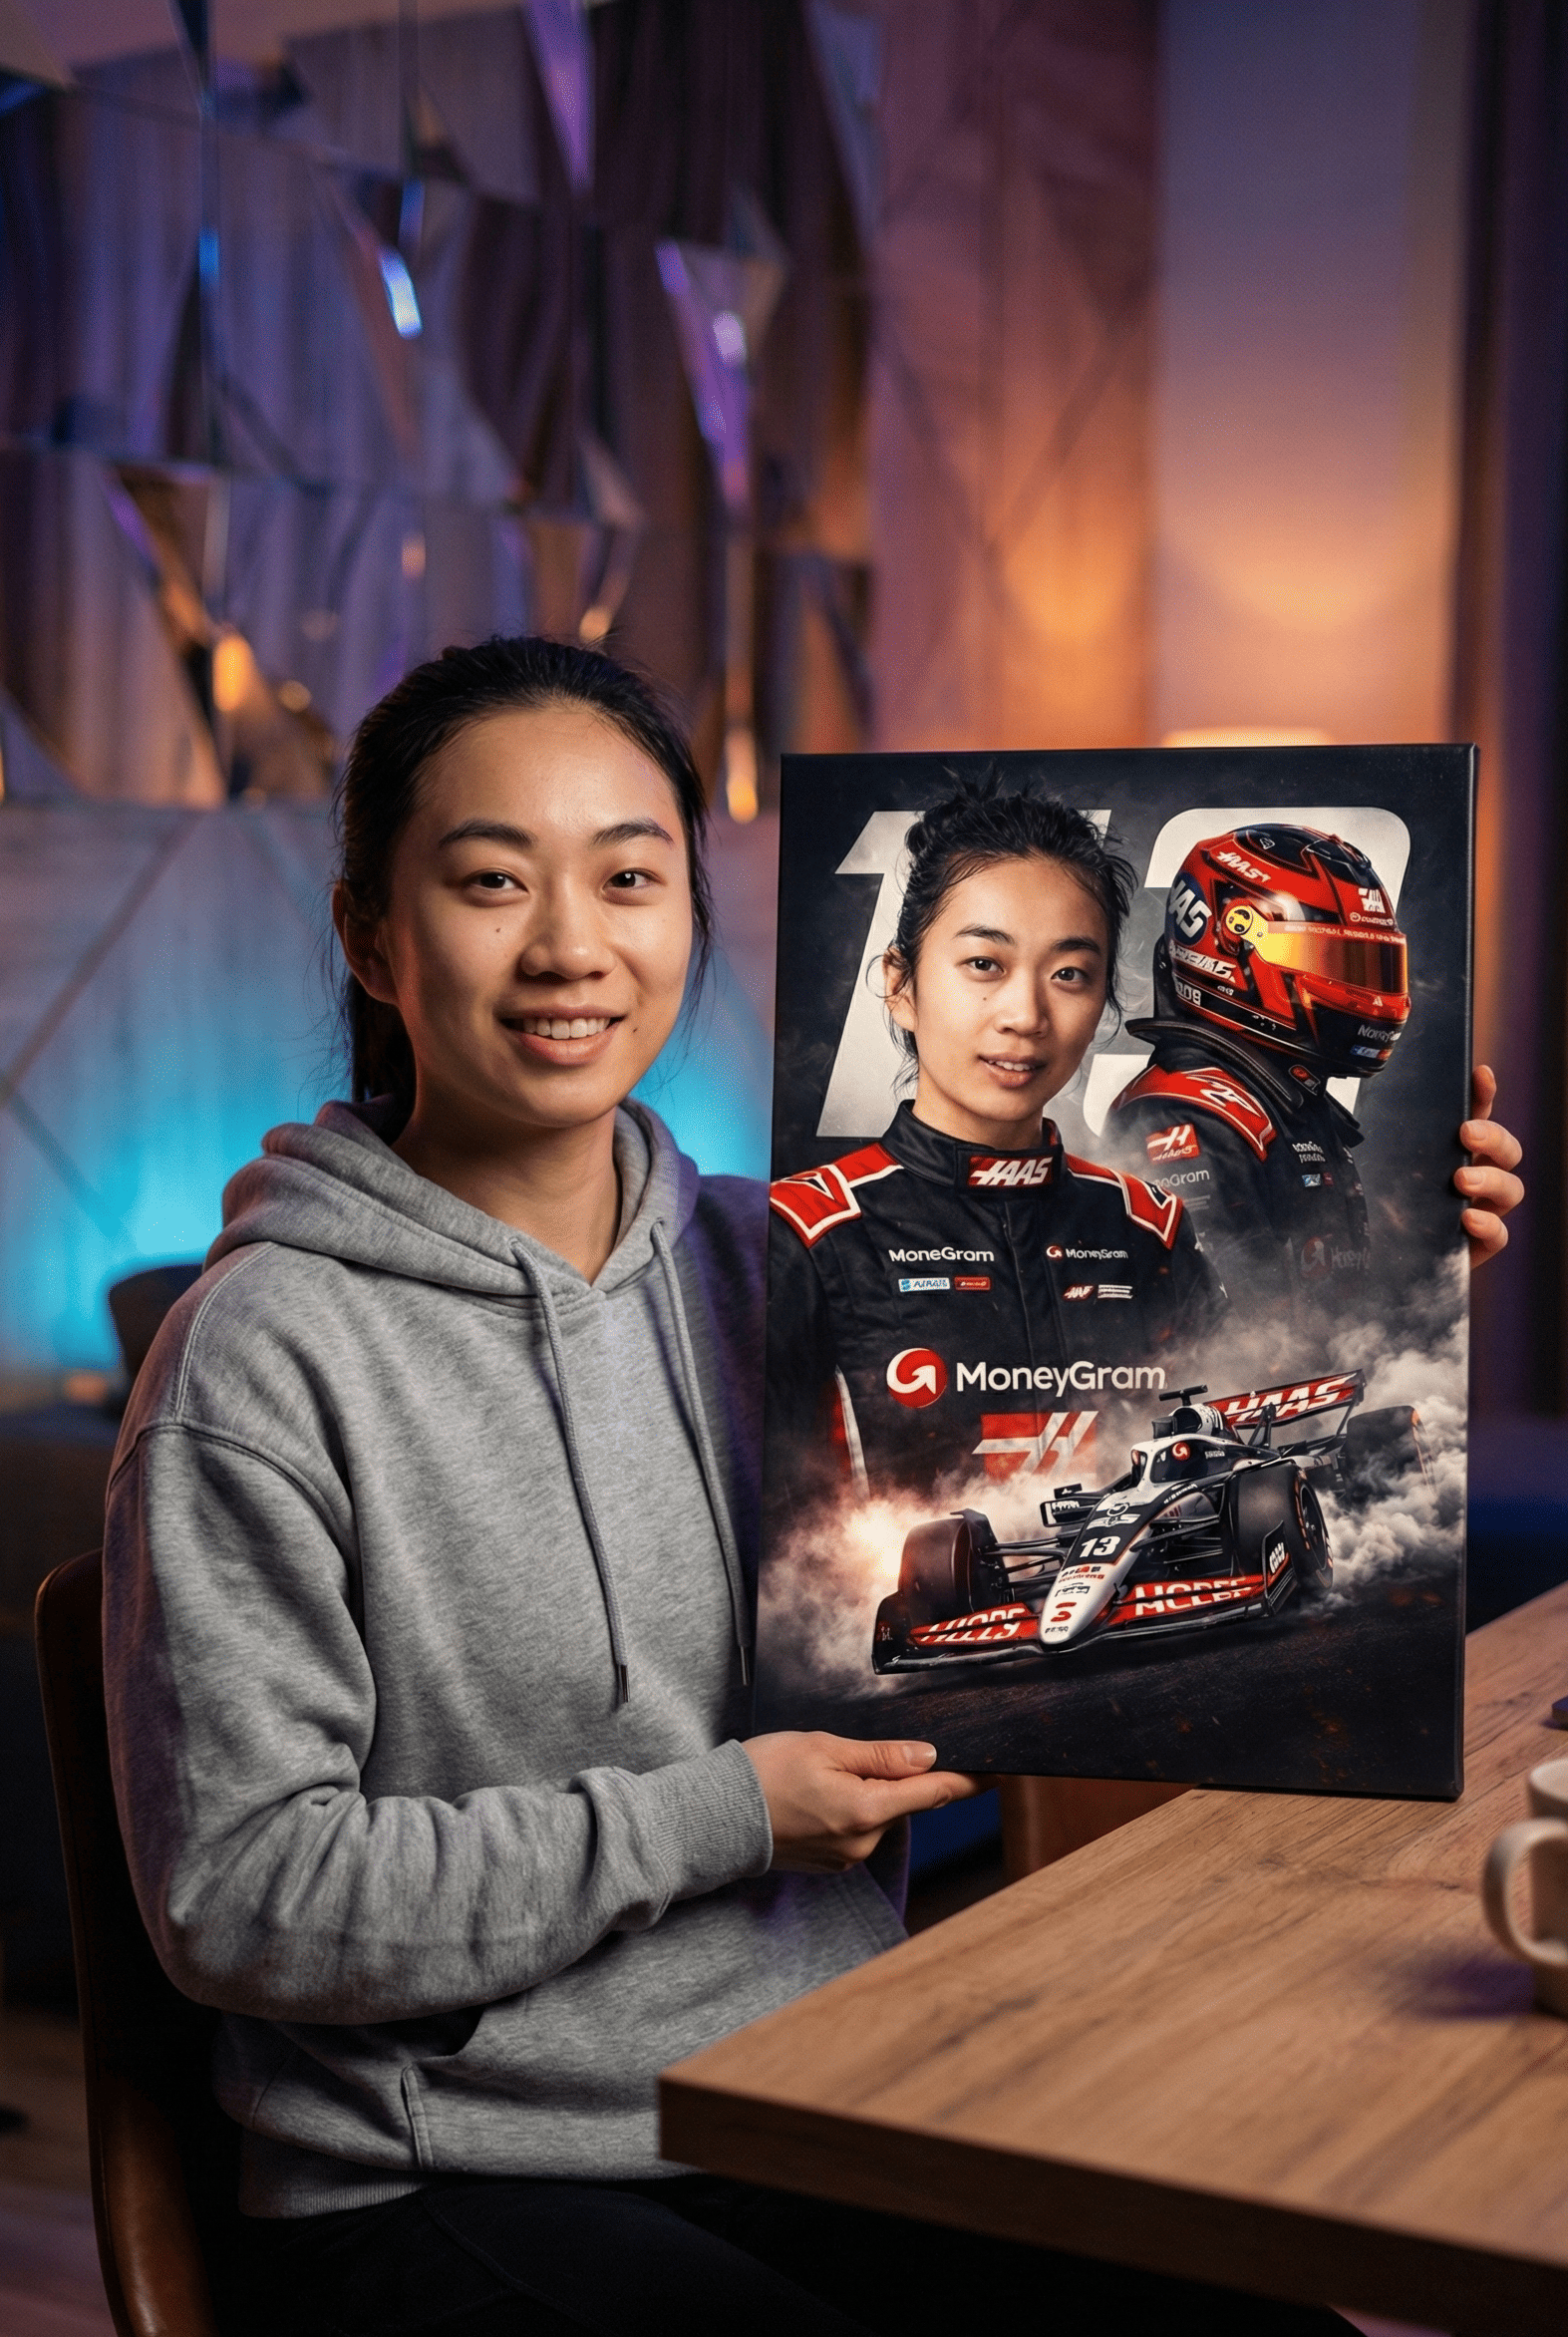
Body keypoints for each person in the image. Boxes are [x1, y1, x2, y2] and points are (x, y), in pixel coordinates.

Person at [103, 639, 1361, 2336]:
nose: (568, 944)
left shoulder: (785, 1266)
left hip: (826, 2087)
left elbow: (1143, 1442)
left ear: (688, 911)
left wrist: (1368, 1247)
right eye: (490, 879)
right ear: (371, 933)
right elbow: (237, 1899)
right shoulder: (258, 1357)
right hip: (445, 2173)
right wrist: (726, 1811)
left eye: (628, 875)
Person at [766, 786, 1224, 1528]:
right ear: (899, 985)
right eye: (984, 963)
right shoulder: (801, 1233)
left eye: (1068, 974)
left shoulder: (1148, 1228)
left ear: (1104, 1002)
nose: (1025, 1015)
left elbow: (1231, 1443)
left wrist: (1440, 1233)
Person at [1101, 822, 1523, 1315]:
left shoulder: (1288, 1096)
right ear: (1233, 946)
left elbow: (1332, 1318)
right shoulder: (1185, 1115)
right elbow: (1233, 1352)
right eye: (1331, 959)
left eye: (1370, 964)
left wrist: (1440, 1270)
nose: (1364, 990)